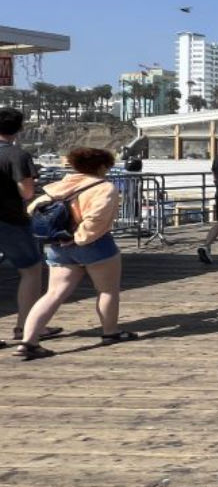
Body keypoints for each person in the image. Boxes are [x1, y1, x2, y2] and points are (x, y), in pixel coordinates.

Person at [18, 147, 137, 358]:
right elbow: (96, 219)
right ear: (101, 166)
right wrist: (78, 238)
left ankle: (29, 341)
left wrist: (62, 237)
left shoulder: (62, 185)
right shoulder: (105, 188)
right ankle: (111, 332)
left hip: (59, 245)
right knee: (107, 290)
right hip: (94, 244)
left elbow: (33, 209)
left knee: (53, 293)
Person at [0, 106, 54, 346]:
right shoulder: (16, 155)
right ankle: (26, 326)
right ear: (19, 129)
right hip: (9, 220)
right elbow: (27, 191)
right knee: (31, 269)